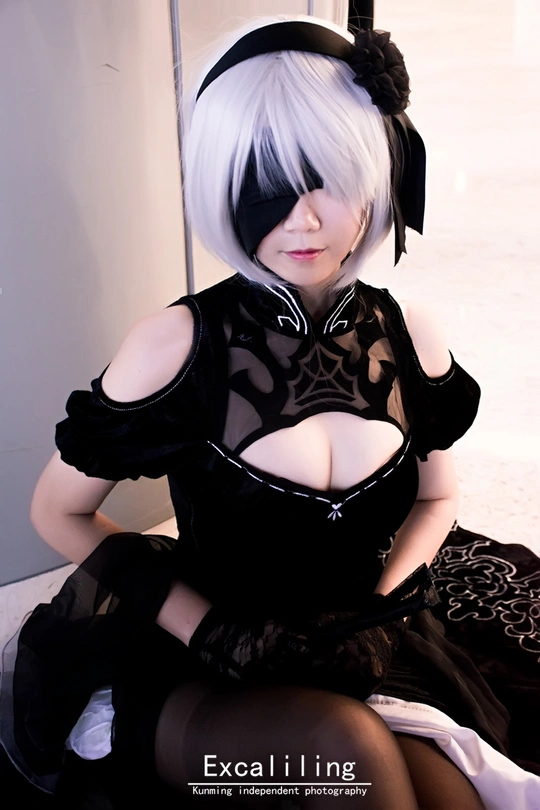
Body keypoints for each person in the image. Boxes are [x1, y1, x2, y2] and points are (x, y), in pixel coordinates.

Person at [1, 13, 539, 810]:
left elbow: (437, 496)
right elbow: (57, 509)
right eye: (266, 185)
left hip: (364, 651)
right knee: (346, 754)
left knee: (449, 797)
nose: (304, 218)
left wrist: (385, 614)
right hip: (203, 677)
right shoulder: (175, 344)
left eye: (328, 177)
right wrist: (214, 630)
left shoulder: (408, 332)